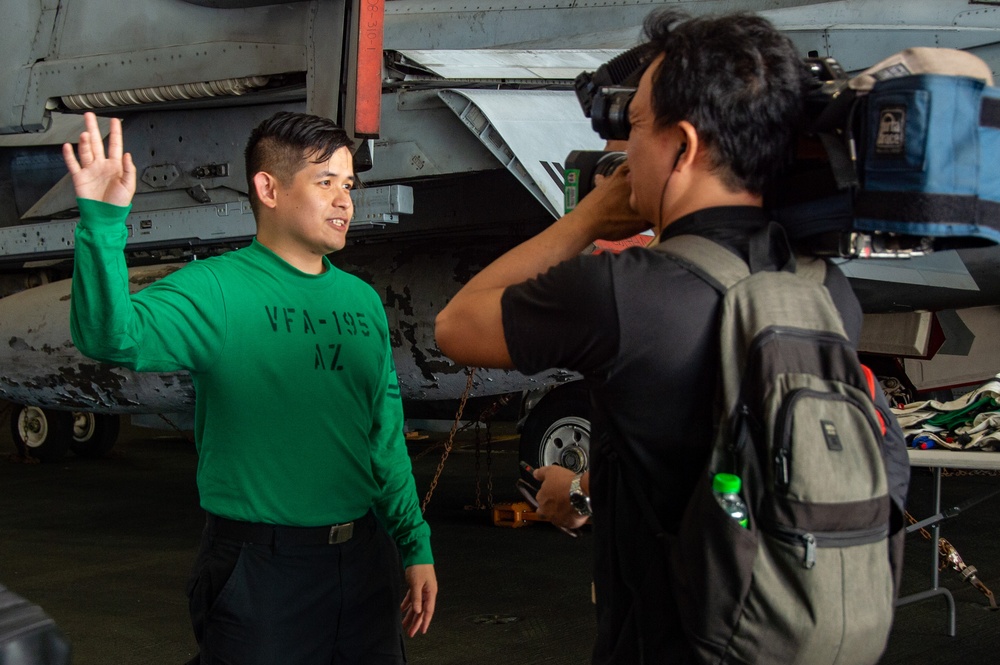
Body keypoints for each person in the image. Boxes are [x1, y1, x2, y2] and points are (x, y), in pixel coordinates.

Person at [435, 9, 907, 664]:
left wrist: (590, 215)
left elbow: (456, 325)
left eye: (634, 129)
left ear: (682, 147)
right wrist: (578, 490)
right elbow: (724, 471)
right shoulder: (825, 291)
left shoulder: (620, 294)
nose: (626, 150)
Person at [64, 110, 436, 664]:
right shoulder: (215, 289)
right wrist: (101, 223)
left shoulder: (361, 301)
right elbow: (109, 336)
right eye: (325, 182)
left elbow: (383, 438)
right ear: (268, 188)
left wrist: (414, 545)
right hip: (261, 569)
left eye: (349, 184)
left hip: (363, 563)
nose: (344, 200)